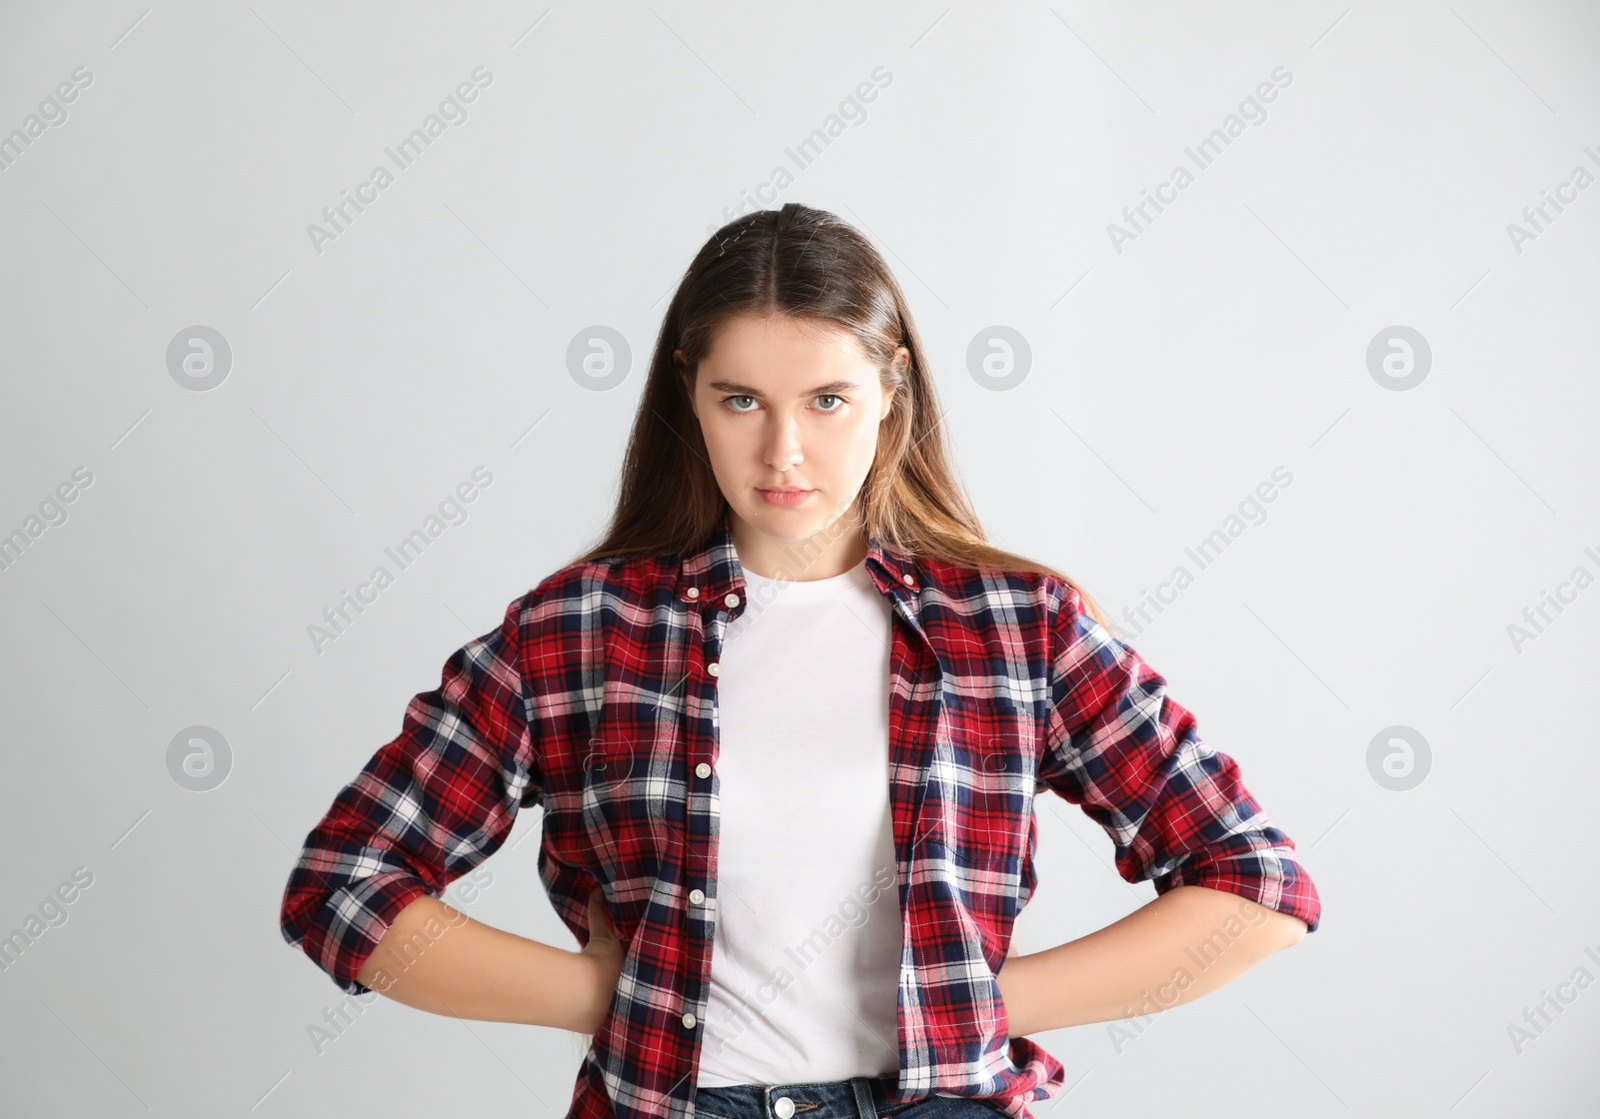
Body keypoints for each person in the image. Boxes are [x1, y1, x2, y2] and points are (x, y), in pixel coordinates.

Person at [279, 202, 1321, 1119]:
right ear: (689, 393)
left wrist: (973, 995)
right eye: (742, 401)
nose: (782, 453)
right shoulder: (578, 632)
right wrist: (613, 994)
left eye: (825, 400)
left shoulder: (1017, 629)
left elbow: (1256, 890)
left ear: (891, 390)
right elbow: (343, 888)